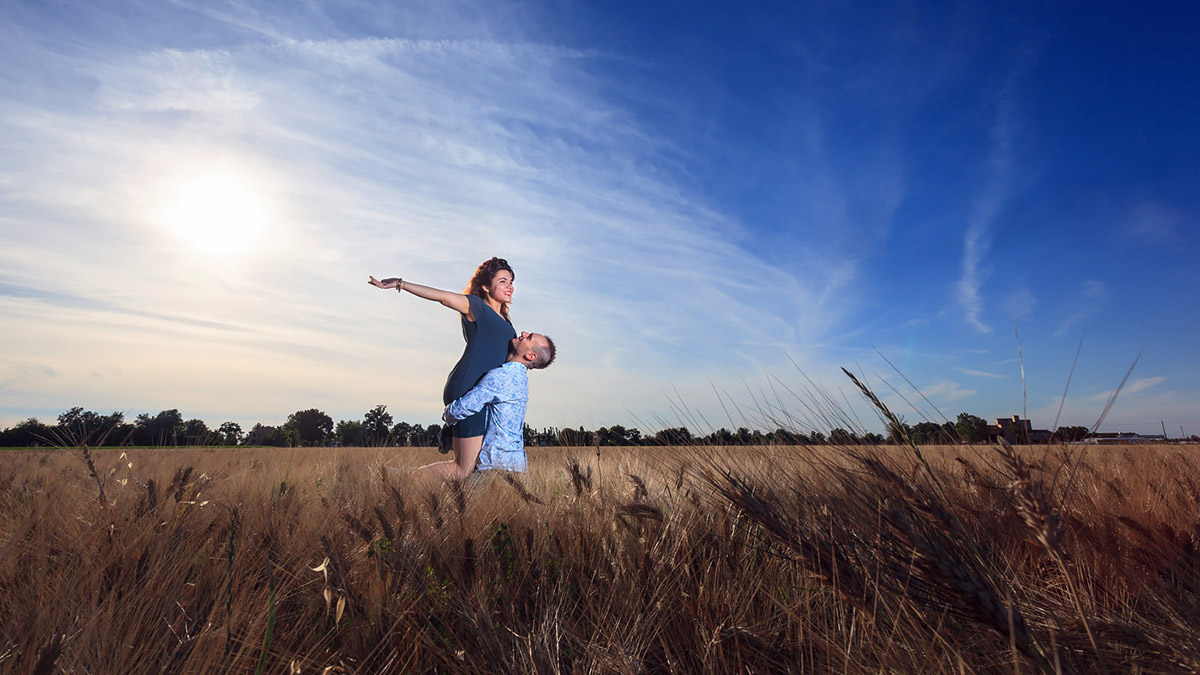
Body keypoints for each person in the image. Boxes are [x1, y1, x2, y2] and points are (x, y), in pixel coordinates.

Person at [368, 257, 516, 475]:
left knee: (477, 464)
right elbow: (442, 297)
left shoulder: (504, 318)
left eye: (511, 281)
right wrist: (401, 284)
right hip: (469, 388)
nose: (509, 286)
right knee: (462, 468)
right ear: (486, 286)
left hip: (484, 393)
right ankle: (396, 478)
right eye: (503, 281)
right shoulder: (476, 306)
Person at [424, 331, 556, 478]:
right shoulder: (520, 379)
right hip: (515, 465)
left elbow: (462, 408)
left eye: (529, 337)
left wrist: (447, 418)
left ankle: (403, 475)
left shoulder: (502, 376)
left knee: (465, 487)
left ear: (530, 356)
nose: (524, 333)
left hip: (495, 465)